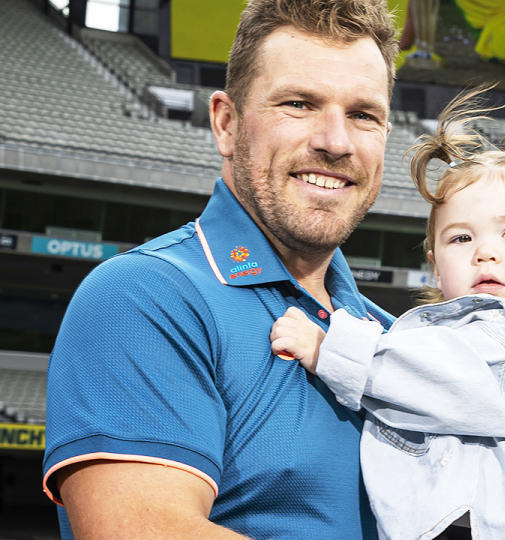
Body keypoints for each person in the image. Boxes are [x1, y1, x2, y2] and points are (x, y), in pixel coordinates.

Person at [41, 1, 398, 537]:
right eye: (299, 104)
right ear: (226, 124)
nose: (336, 142)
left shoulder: (391, 336)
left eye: (363, 115)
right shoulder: (143, 297)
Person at [269, 88, 505, 540]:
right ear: (434, 262)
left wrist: (329, 348)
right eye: (461, 239)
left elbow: (451, 381)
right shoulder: (447, 329)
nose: (486, 252)